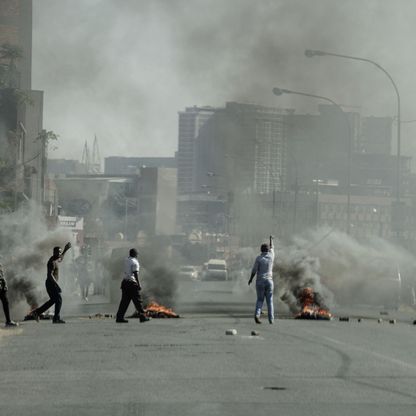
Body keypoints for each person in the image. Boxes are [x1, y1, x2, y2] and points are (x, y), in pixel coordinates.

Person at [31, 242, 71, 324]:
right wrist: (57, 285)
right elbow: (50, 275)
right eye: (58, 252)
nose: (59, 253)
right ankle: (56, 318)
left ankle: (37, 312)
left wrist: (65, 249)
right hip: (51, 284)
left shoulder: (56, 258)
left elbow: (61, 258)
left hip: (52, 284)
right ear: (54, 252)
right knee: (59, 300)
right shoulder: (51, 262)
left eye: (60, 252)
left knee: (53, 300)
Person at [116, 248, 150, 323]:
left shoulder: (126, 260)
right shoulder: (135, 262)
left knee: (124, 302)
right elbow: (135, 274)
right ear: (135, 254)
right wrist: (138, 283)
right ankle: (142, 317)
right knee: (138, 301)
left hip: (125, 283)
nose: (137, 255)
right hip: (132, 284)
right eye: (137, 254)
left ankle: (119, 317)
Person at [248, 235, 275, 324]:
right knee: (269, 301)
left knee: (260, 300)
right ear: (268, 250)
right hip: (269, 281)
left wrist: (251, 279)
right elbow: (272, 247)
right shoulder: (271, 256)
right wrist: (271, 239)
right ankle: (271, 319)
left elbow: (254, 270)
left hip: (260, 281)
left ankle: (257, 315)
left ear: (261, 250)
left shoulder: (259, 258)